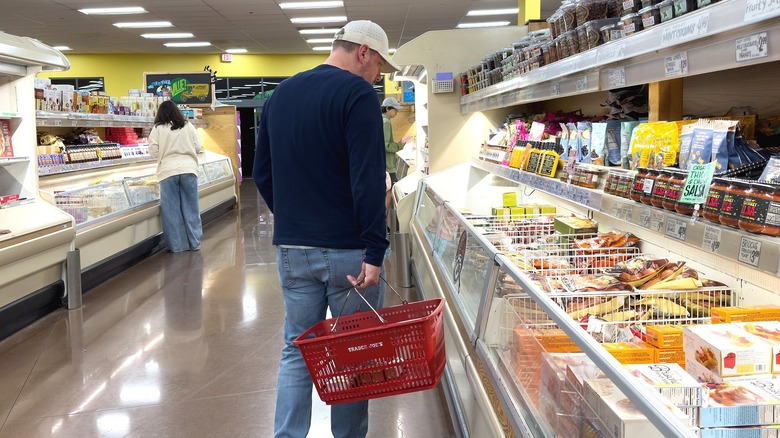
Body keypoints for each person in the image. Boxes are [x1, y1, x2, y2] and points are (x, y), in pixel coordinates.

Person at [253, 20, 399, 438]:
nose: (377, 76)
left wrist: (295, 218)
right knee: (354, 351)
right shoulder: (357, 95)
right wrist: (375, 250)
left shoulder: (281, 93)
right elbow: (367, 178)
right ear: (363, 52)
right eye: (378, 67)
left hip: (293, 249)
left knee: (296, 350)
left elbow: (262, 173)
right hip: (349, 252)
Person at [148, 100, 203, 253]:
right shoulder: (187, 125)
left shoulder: (158, 128)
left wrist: (164, 156)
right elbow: (198, 146)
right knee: (191, 208)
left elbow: (152, 149)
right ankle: (195, 243)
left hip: (168, 171)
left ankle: (178, 246)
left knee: (171, 210)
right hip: (188, 169)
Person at [381, 97, 404, 184]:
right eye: (395, 110)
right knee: (391, 190)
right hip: (388, 165)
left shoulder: (381, 120)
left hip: (384, 164)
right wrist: (399, 145)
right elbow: (386, 145)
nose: (397, 112)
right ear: (387, 108)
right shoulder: (386, 122)